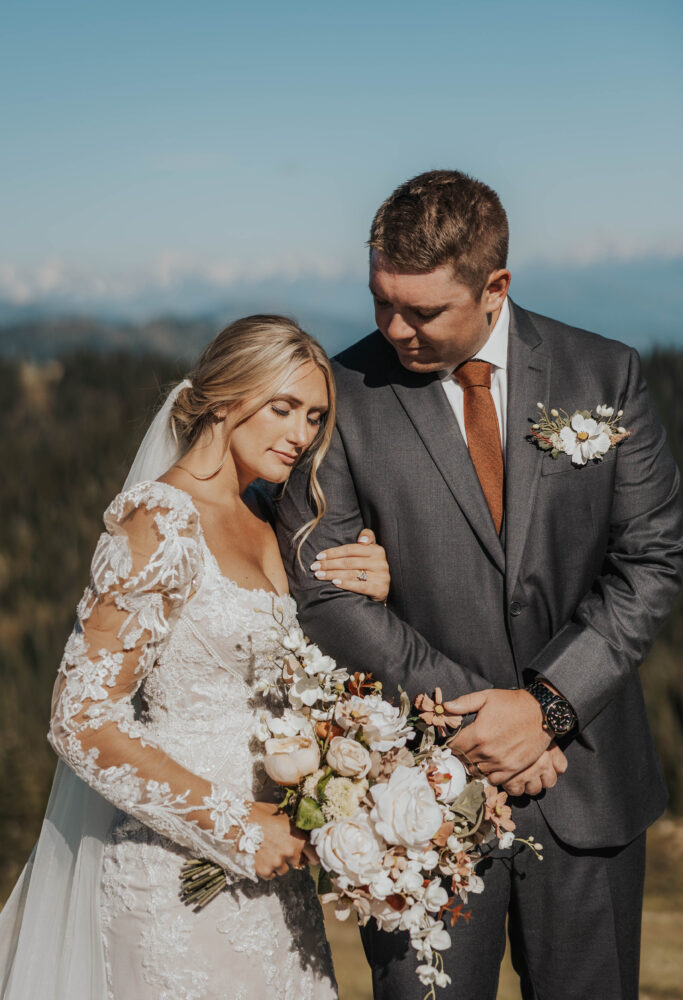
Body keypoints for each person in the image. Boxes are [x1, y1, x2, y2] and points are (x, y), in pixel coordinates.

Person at [276, 170, 683, 1000]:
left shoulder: (605, 376)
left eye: (420, 311)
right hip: (413, 796)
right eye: (379, 300)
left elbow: (651, 559)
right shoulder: (337, 397)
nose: (392, 328)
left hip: (586, 785)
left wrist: (544, 709)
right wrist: (483, 721)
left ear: (494, 287)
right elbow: (325, 592)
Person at [0, 314, 391, 1000]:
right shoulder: (161, 520)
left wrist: (370, 585)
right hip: (177, 879)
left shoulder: (270, 516)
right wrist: (236, 827)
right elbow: (81, 717)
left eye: (314, 416)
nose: (301, 435)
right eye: (283, 408)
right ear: (224, 399)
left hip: (279, 878)